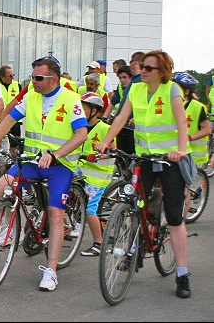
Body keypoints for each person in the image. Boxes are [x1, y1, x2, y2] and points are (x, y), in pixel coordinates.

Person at [95, 50, 192, 299]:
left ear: (162, 72)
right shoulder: (136, 90)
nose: (143, 71)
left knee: (173, 215)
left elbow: (182, 123)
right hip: (145, 157)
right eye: (142, 67)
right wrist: (107, 141)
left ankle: (182, 271)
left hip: (170, 158)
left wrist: (180, 150)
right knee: (135, 203)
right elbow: (120, 118)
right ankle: (134, 249)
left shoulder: (172, 90)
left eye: (149, 68)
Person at [0, 58, 88, 292]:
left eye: (38, 78)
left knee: (55, 214)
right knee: (2, 186)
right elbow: (9, 119)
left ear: (54, 79)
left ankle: (51, 270)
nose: (33, 81)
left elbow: (81, 134)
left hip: (59, 165)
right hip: (33, 161)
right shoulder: (30, 96)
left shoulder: (70, 99)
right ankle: (9, 229)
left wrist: (55, 154)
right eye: (32, 77)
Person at [77, 92, 115, 257]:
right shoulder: (79, 127)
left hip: (98, 176)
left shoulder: (105, 129)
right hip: (80, 170)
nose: (80, 111)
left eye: (83, 108)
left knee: (90, 209)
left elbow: (113, 152)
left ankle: (99, 244)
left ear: (94, 110)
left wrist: (99, 155)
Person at [173, 72, 210, 167]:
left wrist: (189, 138)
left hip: (194, 157)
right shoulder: (169, 104)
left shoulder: (197, 107)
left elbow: (207, 129)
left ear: (187, 92)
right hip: (173, 153)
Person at [112, 51, 145, 154]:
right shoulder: (134, 82)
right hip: (124, 126)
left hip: (132, 129)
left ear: (135, 63)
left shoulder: (142, 81)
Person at [0, 65, 22, 140]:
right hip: (1, 120)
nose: (12, 77)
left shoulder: (17, 85)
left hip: (15, 120)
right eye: (10, 76)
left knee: (15, 145)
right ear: (2, 77)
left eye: (13, 75)